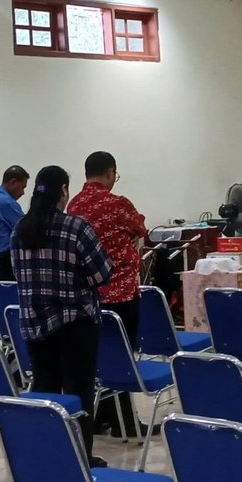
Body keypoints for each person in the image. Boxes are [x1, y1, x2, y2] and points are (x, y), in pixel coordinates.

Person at [11, 164, 114, 466]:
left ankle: (49, 454)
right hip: (75, 324)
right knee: (78, 391)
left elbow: (18, 273)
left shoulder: (20, 230)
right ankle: (80, 457)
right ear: (64, 190)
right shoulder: (76, 227)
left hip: (34, 322)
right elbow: (103, 273)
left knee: (45, 389)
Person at [67, 151, 148, 436]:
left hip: (87, 295)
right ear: (110, 172)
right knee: (122, 356)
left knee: (97, 355)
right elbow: (140, 228)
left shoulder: (74, 205)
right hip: (121, 292)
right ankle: (125, 423)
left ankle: (102, 415)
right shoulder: (117, 204)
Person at [0, 166, 31, 281]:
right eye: (22, 187)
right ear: (13, 182)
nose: (23, 193)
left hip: (1, 261)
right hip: (9, 262)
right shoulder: (5, 202)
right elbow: (25, 228)